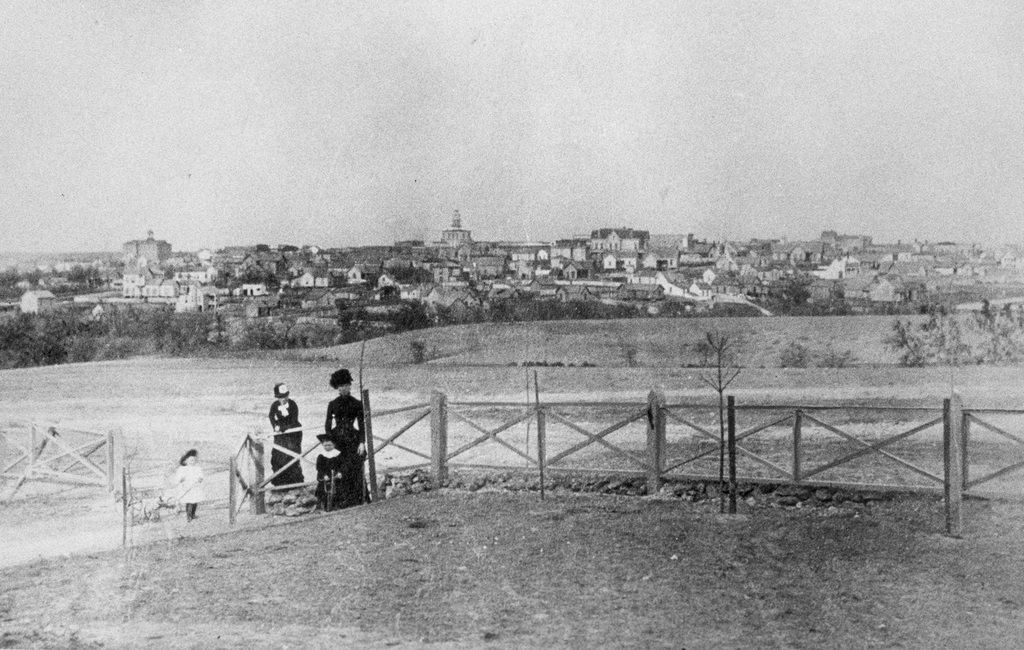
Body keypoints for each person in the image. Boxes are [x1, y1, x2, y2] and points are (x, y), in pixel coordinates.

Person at [324, 368, 367, 508]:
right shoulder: (332, 404)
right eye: (341, 386)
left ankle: (356, 499)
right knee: (338, 465)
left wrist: (362, 442)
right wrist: (330, 442)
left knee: (354, 463)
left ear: (350, 386)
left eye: (346, 385)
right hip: (338, 441)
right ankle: (339, 500)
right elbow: (328, 426)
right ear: (337, 387)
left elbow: (361, 426)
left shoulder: (357, 403)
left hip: (353, 439)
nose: (344, 388)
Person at [267, 382, 305, 487]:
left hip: (293, 434)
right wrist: (275, 426)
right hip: (280, 435)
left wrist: (282, 428)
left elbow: (294, 420)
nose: (283, 399)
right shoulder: (275, 405)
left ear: (288, 395)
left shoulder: (292, 404)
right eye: (280, 397)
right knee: (278, 456)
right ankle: (280, 484)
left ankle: (294, 483)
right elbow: (271, 416)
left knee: (291, 455)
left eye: (285, 396)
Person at [172, 449, 204, 521]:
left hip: (195, 487)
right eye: (190, 460)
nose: (192, 462)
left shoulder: (197, 468)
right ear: (186, 461)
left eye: (194, 460)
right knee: (189, 502)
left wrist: (200, 479)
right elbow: (178, 477)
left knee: (195, 502)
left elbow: (201, 476)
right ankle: (188, 516)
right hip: (187, 487)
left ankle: (193, 514)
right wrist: (181, 479)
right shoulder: (182, 469)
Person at [314, 434, 345, 511]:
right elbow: (319, 467)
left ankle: (338, 505)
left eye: (329, 445)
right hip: (325, 475)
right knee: (324, 490)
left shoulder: (338, 454)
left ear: (334, 445)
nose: (327, 447)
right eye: (325, 445)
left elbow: (342, 465)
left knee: (338, 489)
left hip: (336, 475)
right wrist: (324, 475)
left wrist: (340, 472)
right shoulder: (321, 456)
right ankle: (325, 506)